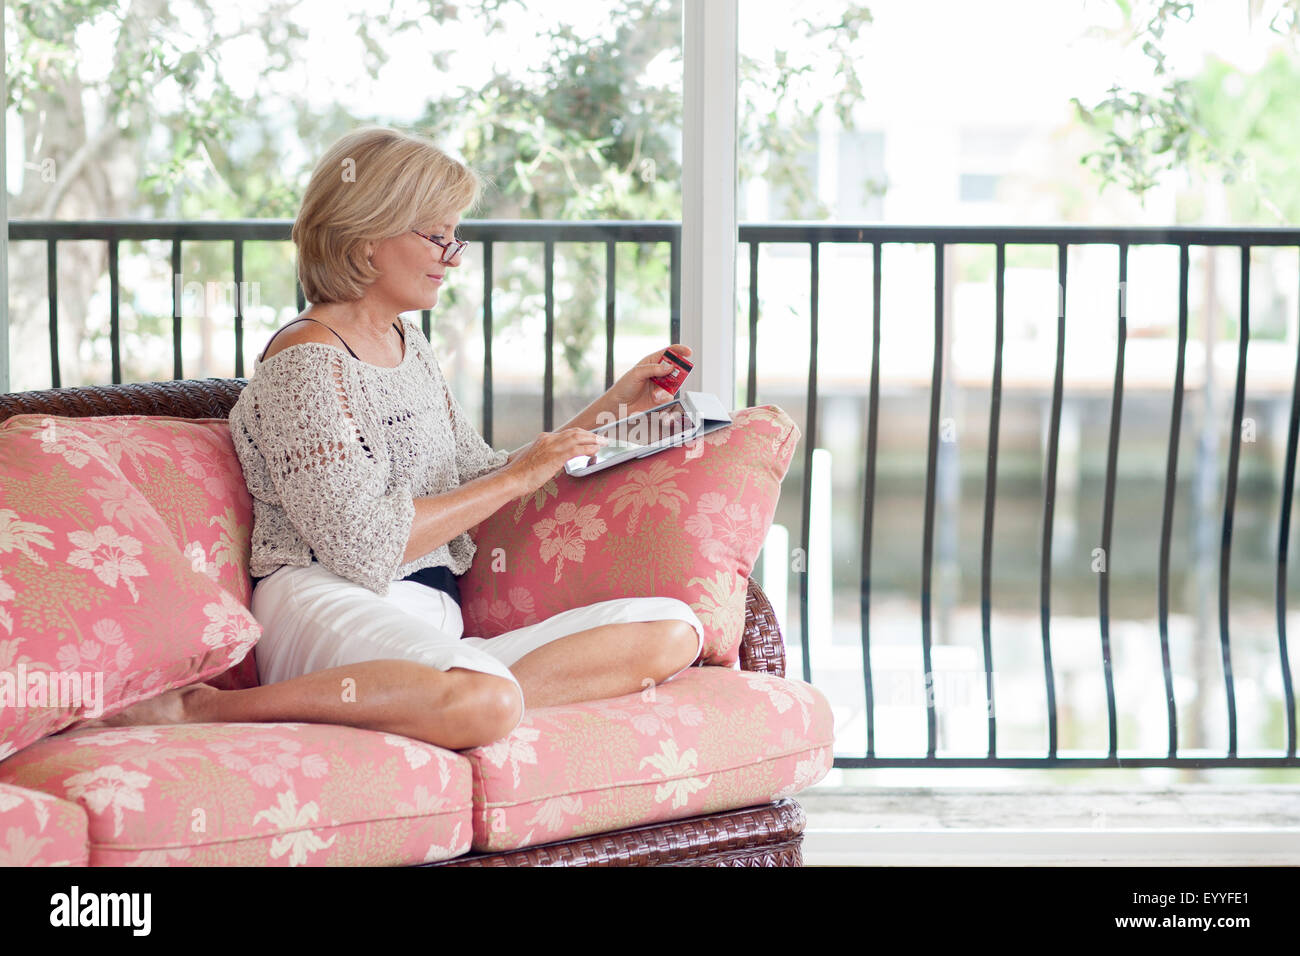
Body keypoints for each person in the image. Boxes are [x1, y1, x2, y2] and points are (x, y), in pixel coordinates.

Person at [83, 126, 703, 750]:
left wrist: (615, 405)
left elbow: (476, 475)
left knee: (674, 630)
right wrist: (520, 474)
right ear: (365, 235)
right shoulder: (307, 362)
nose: (452, 257)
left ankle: (443, 700)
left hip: (432, 623)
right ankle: (211, 711)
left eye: (454, 237)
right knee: (485, 697)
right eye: (437, 236)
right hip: (330, 603)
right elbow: (361, 544)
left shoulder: (412, 347)